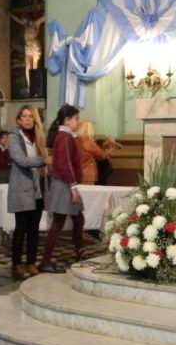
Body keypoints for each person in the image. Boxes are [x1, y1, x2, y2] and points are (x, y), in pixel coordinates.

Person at [7, 106, 51, 280]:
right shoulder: (13, 137)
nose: (27, 119)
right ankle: (16, 264)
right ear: (18, 120)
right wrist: (43, 160)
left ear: (35, 120)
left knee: (34, 229)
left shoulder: (38, 137)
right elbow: (21, 160)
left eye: (30, 117)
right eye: (24, 116)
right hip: (22, 187)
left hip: (37, 186)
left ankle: (31, 262)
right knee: (21, 228)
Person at [41, 105, 86, 272]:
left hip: (66, 183)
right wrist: (73, 187)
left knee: (78, 218)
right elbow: (64, 163)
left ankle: (80, 251)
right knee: (58, 223)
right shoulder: (64, 137)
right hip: (64, 184)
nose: (78, 122)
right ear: (67, 120)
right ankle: (46, 261)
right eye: (76, 119)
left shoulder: (66, 136)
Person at [76, 121, 108, 185]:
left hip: (76, 174)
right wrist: (106, 149)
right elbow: (101, 156)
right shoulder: (88, 142)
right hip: (88, 175)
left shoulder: (75, 141)